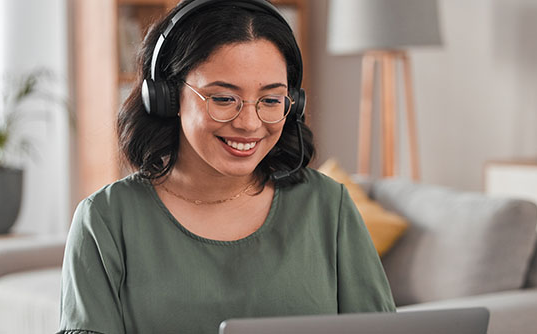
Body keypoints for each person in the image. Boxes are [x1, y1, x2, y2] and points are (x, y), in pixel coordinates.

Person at [58, 1, 395, 333]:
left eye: (270, 100)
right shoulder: (105, 220)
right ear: (167, 97)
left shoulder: (328, 207)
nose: (249, 123)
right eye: (222, 99)